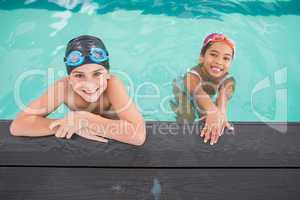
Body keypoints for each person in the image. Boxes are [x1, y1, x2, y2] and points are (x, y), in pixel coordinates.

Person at [10, 35, 146, 146]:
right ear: (69, 78)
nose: (89, 85)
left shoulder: (113, 85)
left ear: (108, 75)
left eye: (97, 74)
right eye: (79, 75)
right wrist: (69, 125)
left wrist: (85, 119)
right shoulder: (63, 88)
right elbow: (18, 125)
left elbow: (138, 135)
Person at [170, 33, 235, 145]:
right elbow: (197, 91)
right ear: (202, 57)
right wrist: (212, 110)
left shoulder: (229, 80)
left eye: (226, 58)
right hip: (184, 92)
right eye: (214, 54)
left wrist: (221, 112)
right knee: (186, 119)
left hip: (204, 95)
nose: (219, 62)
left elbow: (223, 97)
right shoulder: (192, 76)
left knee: (209, 118)